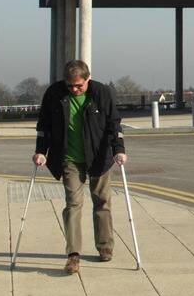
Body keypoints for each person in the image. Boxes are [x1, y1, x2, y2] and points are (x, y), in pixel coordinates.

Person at [33, 59, 127, 274]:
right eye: (70, 86)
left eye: (79, 86)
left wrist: (118, 149)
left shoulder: (102, 93)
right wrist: (41, 151)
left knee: (102, 202)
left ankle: (105, 247)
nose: (74, 90)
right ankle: (73, 254)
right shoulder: (54, 94)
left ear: (88, 79)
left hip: (99, 157)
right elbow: (43, 126)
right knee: (73, 204)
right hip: (69, 158)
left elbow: (114, 125)